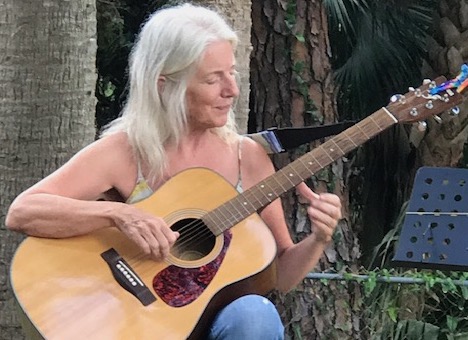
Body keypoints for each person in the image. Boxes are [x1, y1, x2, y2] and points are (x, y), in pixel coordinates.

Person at [6, 3, 342, 339]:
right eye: (214, 79)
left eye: (232, 72)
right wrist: (118, 214)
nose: (232, 90)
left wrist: (318, 238)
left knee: (256, 315)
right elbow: (23, 212)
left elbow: (280, 276)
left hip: (215, 326)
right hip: (137, 324)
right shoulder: (124, 151)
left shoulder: (248, 158)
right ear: (164, 85)